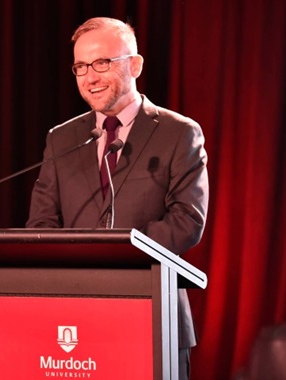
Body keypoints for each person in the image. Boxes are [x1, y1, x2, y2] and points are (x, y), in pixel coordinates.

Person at [26, 17, 209, 380]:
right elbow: (41, 225)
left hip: (154, 314)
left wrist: (117, 257)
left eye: (102, 63)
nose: (90, 77)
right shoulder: (61, 139)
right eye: (80, 67)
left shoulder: (179, 133)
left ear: (135, 65)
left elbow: (187, 220)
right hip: (76, 322)